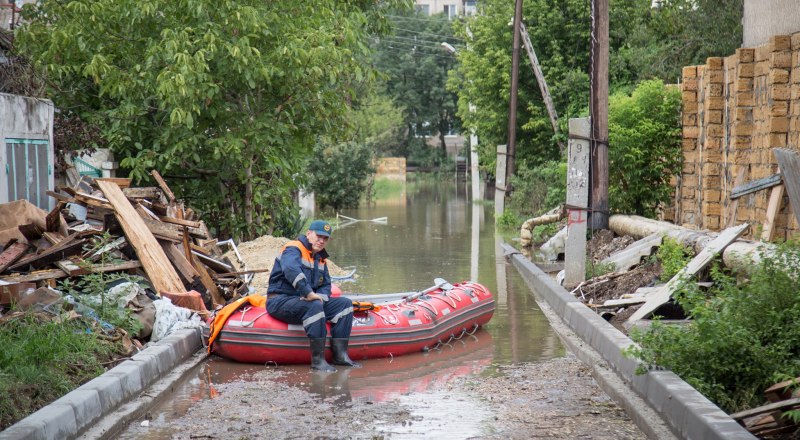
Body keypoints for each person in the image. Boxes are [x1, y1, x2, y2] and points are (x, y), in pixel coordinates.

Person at [266, 220, 361, 372]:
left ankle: (340, 356)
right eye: (319, 236)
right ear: (309, 234)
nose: (322, 240)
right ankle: (318, 361)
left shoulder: (320, 259)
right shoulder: (293, 249)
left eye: (325, 238)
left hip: (304, 301)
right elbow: (291, 271)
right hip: (280, 300)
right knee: (313, 305)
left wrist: (320, 297)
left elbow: (326, 285)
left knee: (344, 304)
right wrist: (308, 293)